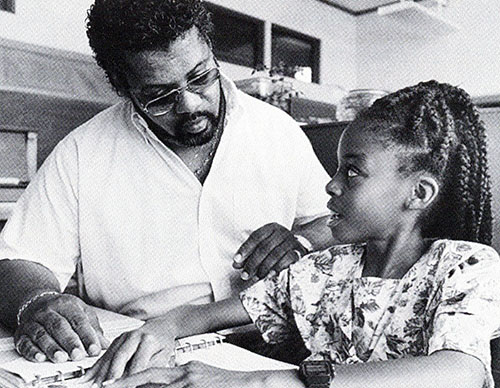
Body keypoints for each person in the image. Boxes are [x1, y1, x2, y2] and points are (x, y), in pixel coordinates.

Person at [87, 80, 500, 388]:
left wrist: (266, 381)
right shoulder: (325, 269)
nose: (331, 185)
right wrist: (159, 329)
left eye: (352, 171)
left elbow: (458, 370)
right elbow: (209, 314)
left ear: (419, 193)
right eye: (337, 168)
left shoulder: (465, 266)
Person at [0, 0, 334, 364]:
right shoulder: (82, 153)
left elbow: (336, 222)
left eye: (201, 77)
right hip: (148, 350)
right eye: (159, 95)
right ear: (124, 88)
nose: (189, 105)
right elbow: (19, 259)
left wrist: (302, 239)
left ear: (210, 50)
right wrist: (38, 301)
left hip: (277, 341)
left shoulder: (277, 131)